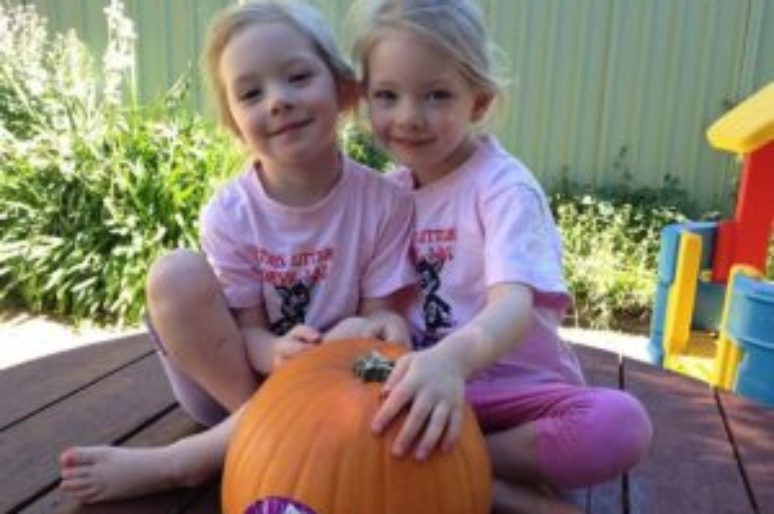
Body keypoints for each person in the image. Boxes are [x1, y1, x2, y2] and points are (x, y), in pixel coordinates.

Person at [58, 0, 415, 503]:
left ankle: (189, 461)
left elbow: (377, 329)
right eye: (251, 93)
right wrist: (271, 350)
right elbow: (244, 329)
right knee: (174, 273)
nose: (277, 101)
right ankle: (264, 437)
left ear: (342, 89)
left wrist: (371, 335)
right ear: (233, 122)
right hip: (233, 387)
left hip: (337, 395)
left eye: (296, 77)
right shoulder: (230, 213)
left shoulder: (385, 202)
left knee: (363, 331)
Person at [353, 1, 653, 512]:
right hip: (423, 390)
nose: (408, 117)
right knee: (333, 411)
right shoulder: (388, 193)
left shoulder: (503, 188)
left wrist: (450, 360)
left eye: (436, 95)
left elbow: (513, 305)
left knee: (622, 425)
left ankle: (463, 469)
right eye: (387, 95)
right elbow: (375, 300)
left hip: (515, 397)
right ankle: (480, 482)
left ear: (479, 101)